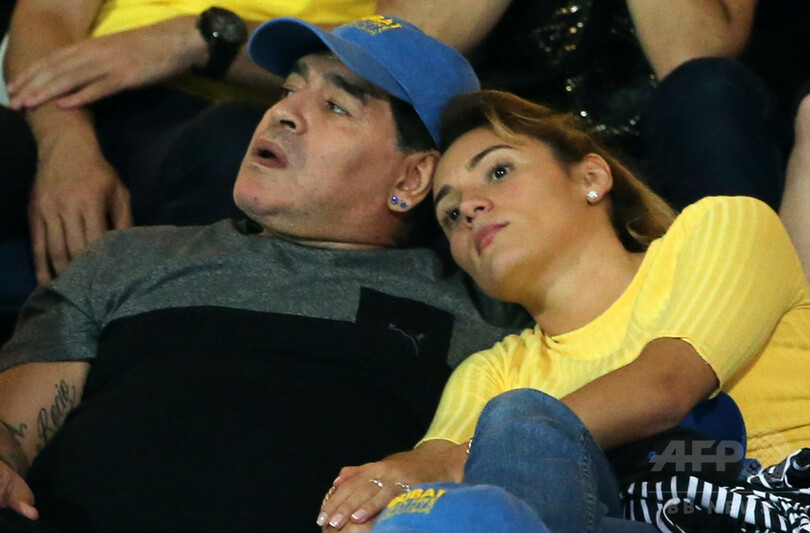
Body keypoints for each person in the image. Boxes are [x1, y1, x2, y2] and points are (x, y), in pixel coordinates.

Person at [0, 17, 516, 533]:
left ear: (412, 178)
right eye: (288, 90)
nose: (282, 113)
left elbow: (545, 435)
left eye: (335, 106)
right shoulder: (129, 256)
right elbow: (14, 429)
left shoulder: (479, 309)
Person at [318, 90, 810, 532]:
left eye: (499, 172)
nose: (468, 208)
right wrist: (371, 507)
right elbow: (428, 469)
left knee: (518, 417)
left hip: (784, 506)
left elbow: (667, 385)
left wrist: (462, 460)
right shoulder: (492, 372)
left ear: (591, 178)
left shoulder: (720, 228)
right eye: (449, 214)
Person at [470, 0, 787, 213]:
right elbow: (438, 40)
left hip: (669, 148)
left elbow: (693, 61)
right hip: (524, 146)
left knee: (706, 92)